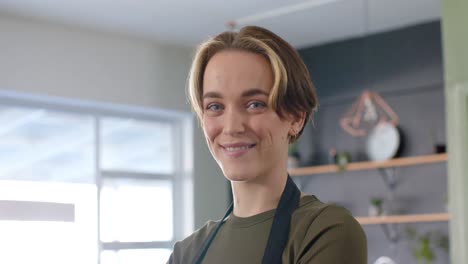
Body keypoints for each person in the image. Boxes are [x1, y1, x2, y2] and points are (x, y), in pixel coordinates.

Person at [167, 25, 367, 264]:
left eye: (255, 104)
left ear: (295, 117)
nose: (231, 127)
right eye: (215, 107)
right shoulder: (187, 252)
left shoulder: (325, 231)